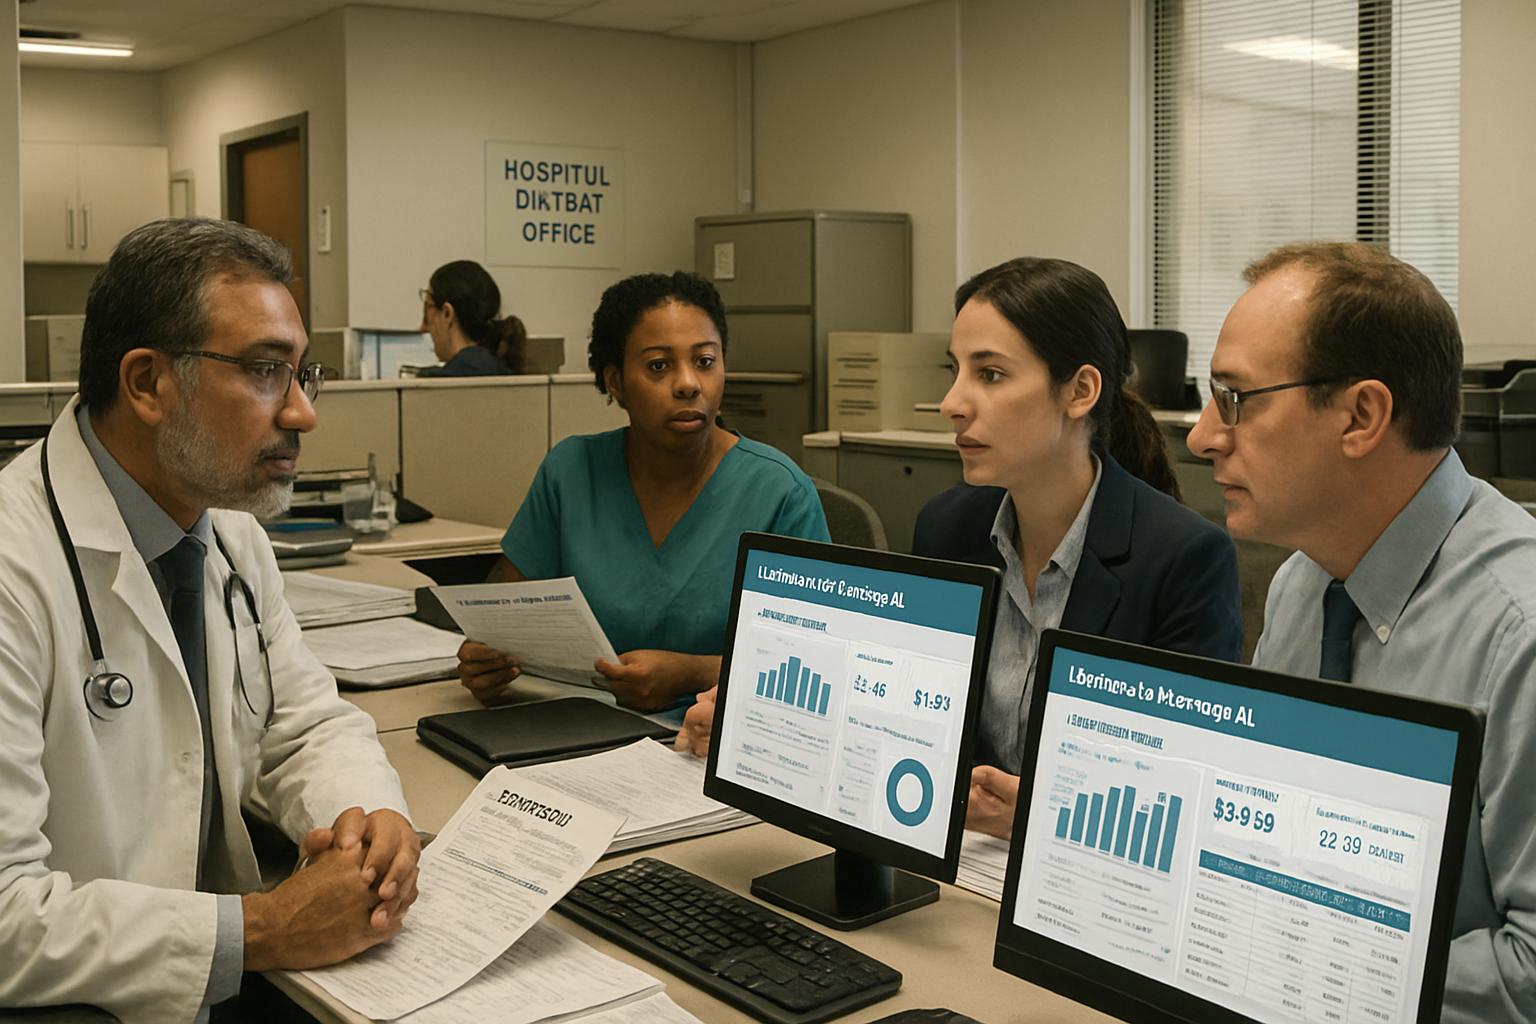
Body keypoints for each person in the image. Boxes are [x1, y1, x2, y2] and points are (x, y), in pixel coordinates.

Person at [0, 218, 420, 1022]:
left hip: (221, 982)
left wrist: (367, 821)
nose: (303, 414)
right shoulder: (13, 568)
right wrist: (261, 930)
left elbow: (304, 724)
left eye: (303, 374)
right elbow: (4, 911)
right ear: (147, 383)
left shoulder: (227, 530)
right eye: (266, 372)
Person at [677, 259, 1242, 841]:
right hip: (950, 852)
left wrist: (1037, 818)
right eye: (956, 371)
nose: (952, 402)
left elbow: (1188, 802)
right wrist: (757, 718)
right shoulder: (949, 527)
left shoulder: (1183, 559)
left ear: (1080, 391)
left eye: (990, 374)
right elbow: (900, 713)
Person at [1186, 241, 1536, 1024]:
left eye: (1235, 399)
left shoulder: (1521, 634)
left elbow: (1530, 971)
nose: (1203, 437)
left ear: (1362, 416)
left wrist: (1301, 959)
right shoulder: (1302, 584)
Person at [455, 271, 829, 714]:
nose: (688, 383)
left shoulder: (780, 494)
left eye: (705, 361)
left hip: (708, 739)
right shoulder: (571, 472)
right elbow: (505, 620)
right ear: (615, 381)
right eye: (658, 366)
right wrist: (487, 663)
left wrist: (690, 673)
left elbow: (815, 662)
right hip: (577, 729)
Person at [416, 259, 527, 376]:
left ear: (447, 313)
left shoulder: (435, 383)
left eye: (427, 310)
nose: (422, 328)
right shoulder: (507, 372)